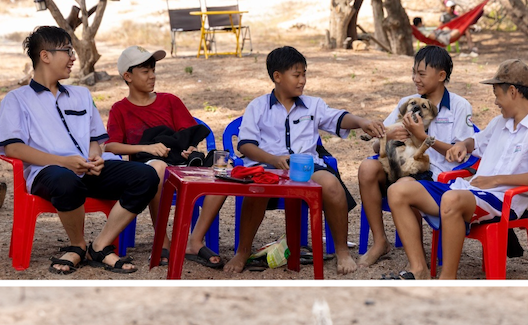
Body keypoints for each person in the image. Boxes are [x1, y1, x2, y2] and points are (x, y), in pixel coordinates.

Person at [0, 26, 158, 274]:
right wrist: (63, 162)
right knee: (65, 181)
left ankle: (101, 246)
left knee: (146, 176)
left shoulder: (81, 95)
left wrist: (96, 155)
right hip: (48, 174)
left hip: (88, 169)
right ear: (45, 56)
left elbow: (95, 139)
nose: (73, 57)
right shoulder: (16, 99)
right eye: (68, 51)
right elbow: (13, 148)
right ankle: (78, 246)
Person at [385, 59, 528, 280]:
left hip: (502, 200)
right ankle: (419, 269)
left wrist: (494, 181)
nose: (495, 102)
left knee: (452, 200)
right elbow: (473, 143)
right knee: (398, 191)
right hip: (471, 192)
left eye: (497, 95)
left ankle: (447, 279)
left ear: (513, 92)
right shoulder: (499, 123)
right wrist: (461, 146)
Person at [224, 46, 384, 276]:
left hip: (306, 166)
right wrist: (274, 159)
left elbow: (337, 117)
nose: (302, 81)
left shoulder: (313, 104)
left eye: (304, 74)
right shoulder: (257, 107)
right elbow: (245, 145)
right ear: (277, 77)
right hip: (268, 166)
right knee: (257, 189)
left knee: (332, 186)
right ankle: (242, 251)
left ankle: (342, 251)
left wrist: (361, 121)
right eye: (296, 75)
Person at [103, 46, 224, 269]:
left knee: (222, 166)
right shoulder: (120, 109)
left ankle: (194, 241)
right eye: (145, 71)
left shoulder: (170, 101)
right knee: (156, 167)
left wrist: (189, 149)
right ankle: (163, 240)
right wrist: (147, 148)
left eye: (153, 70)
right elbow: (110, 145)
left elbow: (189, 133)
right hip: (146, 169)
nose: (152, 76)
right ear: (127, 76)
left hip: (180, 166)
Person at [356, 45, 474, 266]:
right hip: (403, 166)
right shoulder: (408, 102)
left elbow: (459, 155)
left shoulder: (459, 106)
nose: (415, 79)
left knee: (407, 182)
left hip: (438, 176)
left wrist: (422, 137)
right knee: (367, 168)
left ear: (441, 76)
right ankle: (380, 241)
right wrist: (388, 136)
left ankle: (416, 256)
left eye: (421, 74)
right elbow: (375, 145)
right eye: (414, 72)